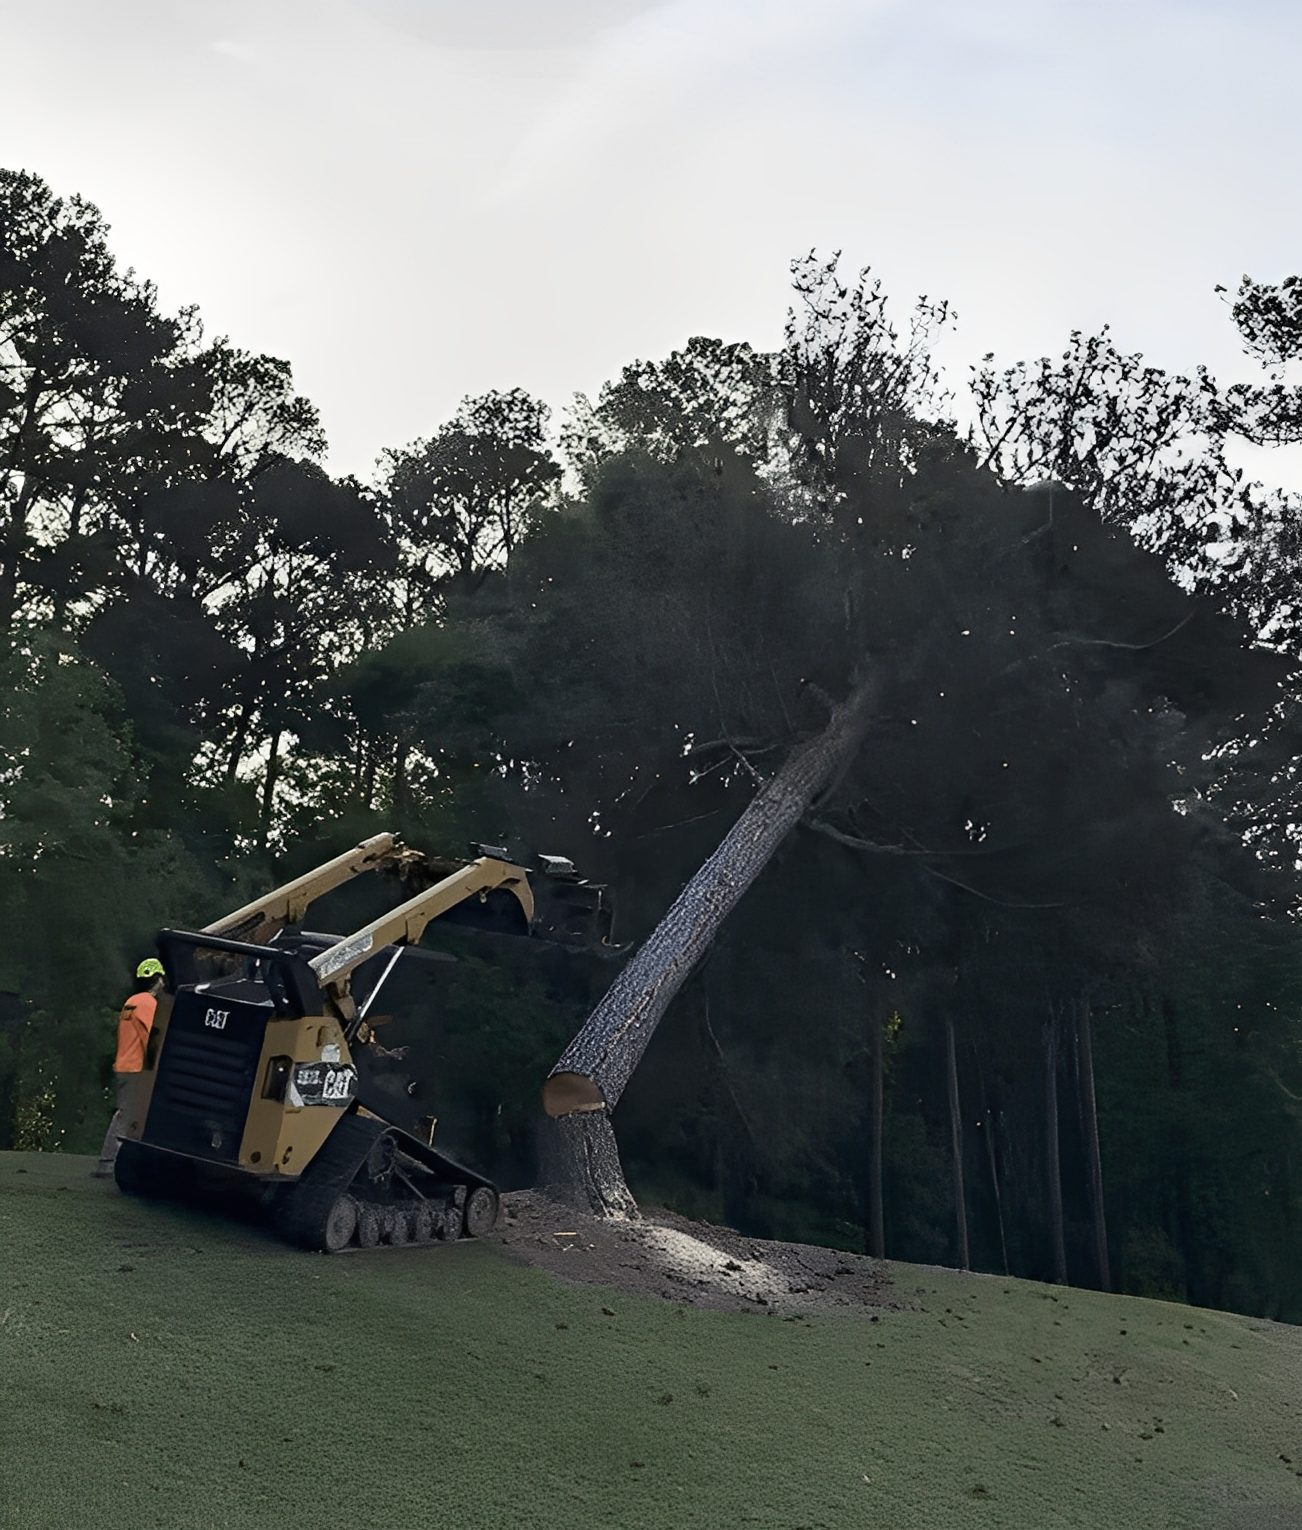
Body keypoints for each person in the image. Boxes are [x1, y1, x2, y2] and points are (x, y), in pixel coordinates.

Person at [93, 959, 165, 1178]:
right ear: (156, 978)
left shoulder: (131, 1001)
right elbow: (153, 1036)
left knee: (125, 1113)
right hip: (136, 1068)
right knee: (127, 1116)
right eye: (161, 978)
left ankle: (115, 1160)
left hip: (124, 1064)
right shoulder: (148, 1003)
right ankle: (109, 1163)